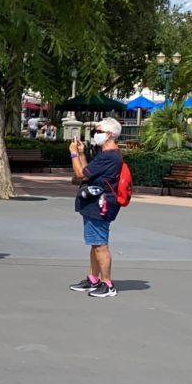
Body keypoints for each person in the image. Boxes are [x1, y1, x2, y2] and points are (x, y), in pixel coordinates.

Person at [69, 117, 124, 298]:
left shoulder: (109, 156)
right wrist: (82, 154)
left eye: (98, 132)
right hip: (95, 203)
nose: (95, 135)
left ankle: (107, 284)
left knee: (100, 244)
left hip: (101, 204)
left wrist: (73, 154)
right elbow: (88, 173)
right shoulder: (105, 155)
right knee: (95, 244)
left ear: (109, 135)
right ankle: (93, 278)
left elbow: (79, 174)